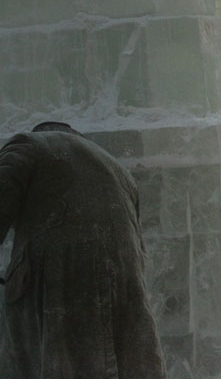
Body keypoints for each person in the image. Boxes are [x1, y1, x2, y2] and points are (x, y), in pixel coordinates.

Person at [0, 122, 166, 378]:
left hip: (59, 281)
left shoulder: (29, 144)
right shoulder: (120, 171)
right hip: (123, 287)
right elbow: (139, 252)